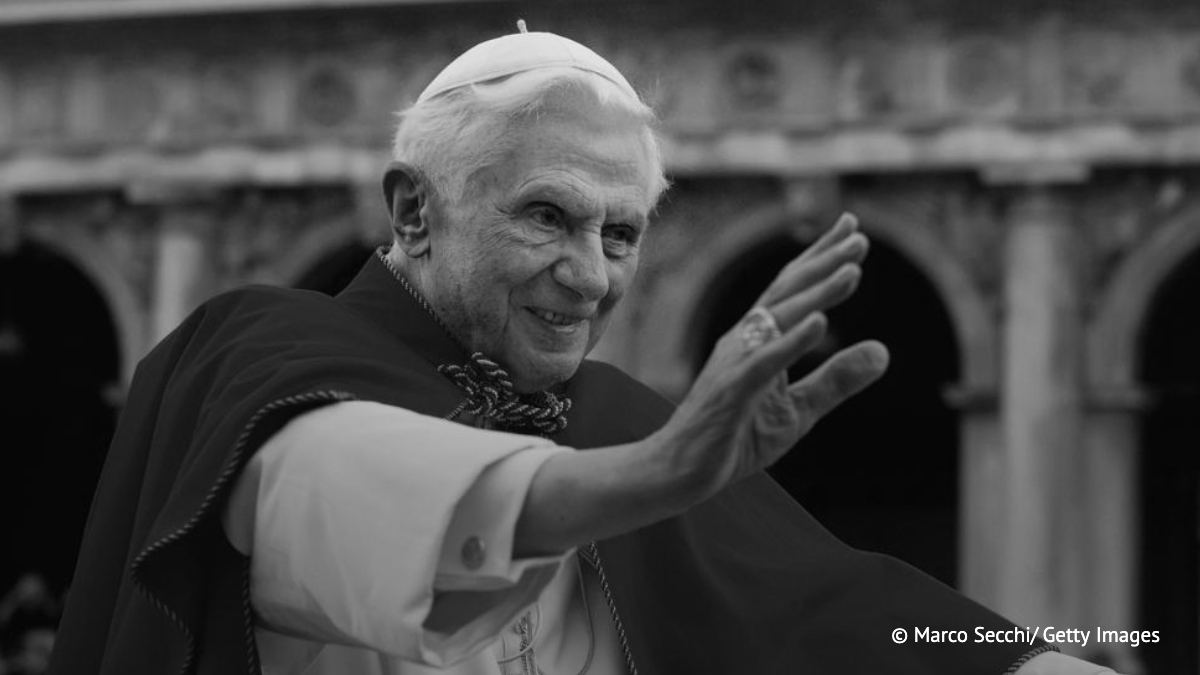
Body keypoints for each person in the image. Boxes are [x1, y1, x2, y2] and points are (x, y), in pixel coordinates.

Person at [49, 25, 1119, 675]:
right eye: (547, 217)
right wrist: (649, 476)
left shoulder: (618, 418)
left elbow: (838, 613)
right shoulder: (269, 359)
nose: (592, 277)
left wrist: (1043, 660)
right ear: (414, 212)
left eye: (621, 234)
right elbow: (363, 500)